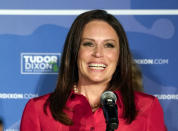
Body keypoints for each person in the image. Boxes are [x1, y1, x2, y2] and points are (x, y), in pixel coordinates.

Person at [20, 9, 167, 131]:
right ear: (74, 51)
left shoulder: (147, 107)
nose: (98, 53)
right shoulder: (39, 110)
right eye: (88, 44)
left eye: (109, 45)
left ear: (120, 55)